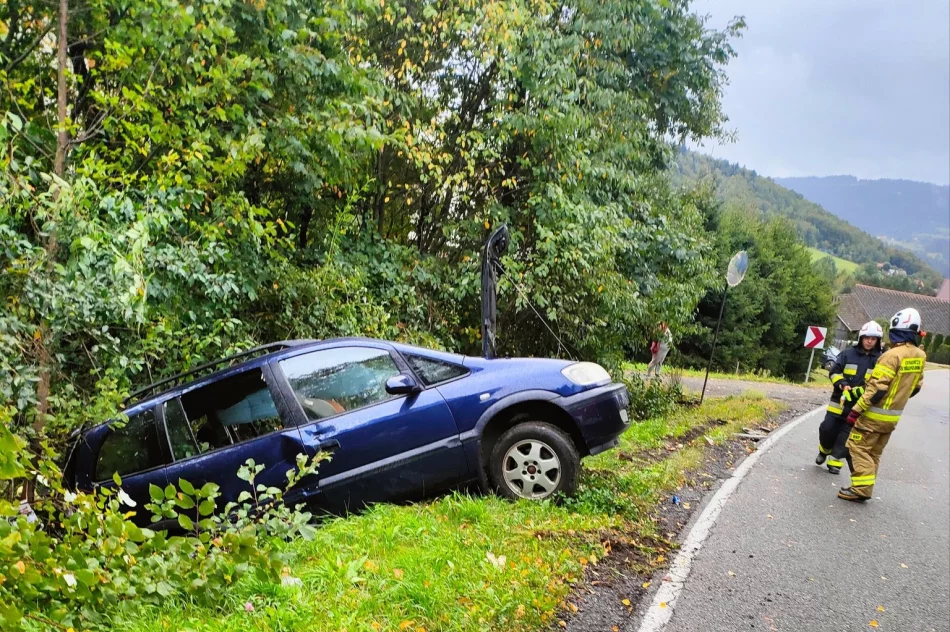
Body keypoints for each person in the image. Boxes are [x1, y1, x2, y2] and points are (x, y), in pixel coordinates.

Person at [837, 308, 926, 502]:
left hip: (873, 416)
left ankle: (862, 489)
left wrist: (855, 411)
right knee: (874, 453)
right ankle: (864, 485)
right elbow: (916, 387)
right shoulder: (920, 355)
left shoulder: (891, 356)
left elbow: (876, 390)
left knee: (857, 447)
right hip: (892, 418)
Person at [815, 321, 883, 474]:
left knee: (845, 437)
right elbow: (834, 372)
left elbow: (879, 383)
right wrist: (842, 384)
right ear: (861, 338)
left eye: (873, 338)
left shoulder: (880, 360)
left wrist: (862, 391)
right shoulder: (847, 354)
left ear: (878, 341)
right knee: (827, 429)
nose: (870, 341)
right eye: (867, 338)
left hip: (859, 407)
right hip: (839, 402)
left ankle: (835, 463)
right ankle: (824, 451)